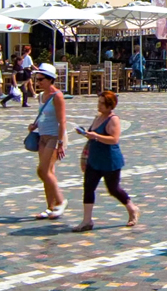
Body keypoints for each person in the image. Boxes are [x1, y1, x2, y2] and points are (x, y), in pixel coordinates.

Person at [72, 91, 140, 231]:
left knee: (113, 189)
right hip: (94, 158)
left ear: (110, 106)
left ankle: (132, 208)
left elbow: (114, 139)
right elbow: (93, 136)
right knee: (88, 188)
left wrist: (96, 136)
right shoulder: (98, 117)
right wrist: (85, 133)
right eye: (99, 102)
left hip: (109, 160)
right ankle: (87, 220)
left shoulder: (113, 119)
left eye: (102, 103)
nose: (99, 105)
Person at [30, 63, 68, 219]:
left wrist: (60, 143)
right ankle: (50, 207)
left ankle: (61, 201)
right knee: (46, 172)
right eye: (36, 79)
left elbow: (62, 121)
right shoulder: (41, 96)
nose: (38, 82)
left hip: (54, 137)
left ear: (50, 79)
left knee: (44, 170)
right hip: (42, 137)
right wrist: (35, 124)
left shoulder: (57, 96)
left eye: (40, 79)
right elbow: (44, 115)